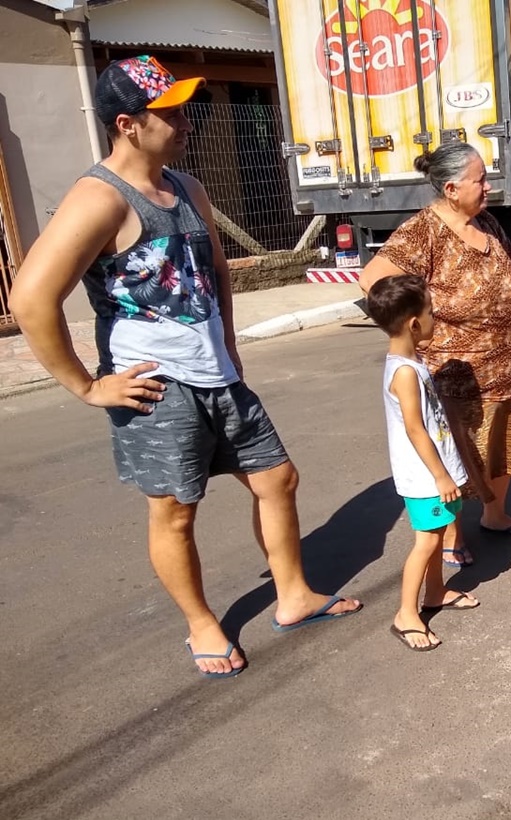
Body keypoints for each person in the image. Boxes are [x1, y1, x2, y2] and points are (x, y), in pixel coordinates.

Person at [9, 55, 361, 679]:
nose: (184, 121)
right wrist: (88, 386)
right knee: (175, 511)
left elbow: (220, 273)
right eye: (168, 113)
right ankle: (202, 624)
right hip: (156, 385)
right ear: (126, 124)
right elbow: (32, 298)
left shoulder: (186, 186)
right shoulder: (99, 200)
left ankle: (294, 595)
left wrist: (227, 342)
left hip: (219, 373)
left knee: (277, 478)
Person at [360, 142, 511, 566]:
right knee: (458, 455)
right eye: (480, 180)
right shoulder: (422, 232)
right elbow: (374, 281)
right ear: (451, 188)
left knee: (499, 447)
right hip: (456, 375)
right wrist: (418, 329)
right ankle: (450, 536)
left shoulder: (489, 223)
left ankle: (495, 516)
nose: (488, 187)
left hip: (510, 369)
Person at [367, 275, 480, 651]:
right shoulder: (403, 373)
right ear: (414, 324)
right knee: (427, 542)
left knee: (436, 535)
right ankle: (406, 614)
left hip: (436, 474)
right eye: (430, 312)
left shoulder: (411, 361)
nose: (435, 317)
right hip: (425, 478)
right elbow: (416, 430)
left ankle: (435, 593)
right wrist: (441, 476)